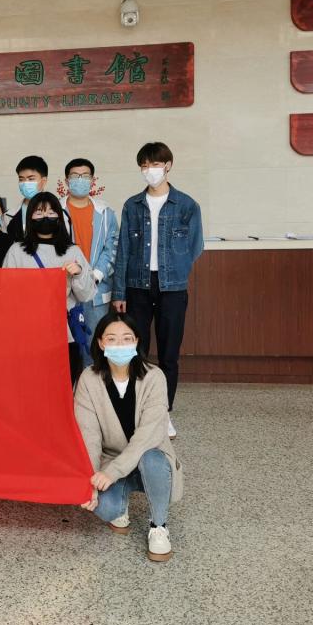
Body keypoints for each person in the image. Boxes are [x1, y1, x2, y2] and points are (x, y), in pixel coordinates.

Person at [74, 310, 182, 562]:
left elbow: (148, 436)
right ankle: (120, 504)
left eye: (126, 338)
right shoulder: (89, 379)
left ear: (136, 341)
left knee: (151, 459)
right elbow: (89, 436)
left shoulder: (154, 377)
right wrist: (89, 484)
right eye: (111, 339)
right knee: (105, 508)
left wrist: (112, 473)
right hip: (111, 459)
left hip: (150, 455)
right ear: (101, 343)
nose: (119, 344)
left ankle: (159, 526)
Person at [112, 142, 203, 438]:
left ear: (168, 166)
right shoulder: (132, 206)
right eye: (144, 165)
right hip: (137, 286)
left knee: (168, 354)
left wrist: (175, 271)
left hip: (172, 288)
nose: (150, 170)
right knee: (135, 351)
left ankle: (163, 413)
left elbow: (195, 247)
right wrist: (119, 292)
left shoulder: (187, 205)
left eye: (155, 164)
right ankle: (137, 410)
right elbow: (123, 251)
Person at [2, 192, 96, 386]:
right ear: (30, 218)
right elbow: (6, 294)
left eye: (51, 212)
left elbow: (86, 295)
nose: (45, 217)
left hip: (64, 332)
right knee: (30, 384)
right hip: (28, 333)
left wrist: (79, 273)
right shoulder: (17, 251)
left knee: (63, 385)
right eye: (39, 212)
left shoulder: (73, 251)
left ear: (60, 217)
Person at [61, 158, 119, 368]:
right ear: (66, 180)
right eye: (75, 176)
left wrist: (96, 275)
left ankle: (93, 386)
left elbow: (112, 246)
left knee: (95, 344)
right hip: (64, 287)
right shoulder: (56, 210)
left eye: (85, 176)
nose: (80, 180)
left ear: (92, 180)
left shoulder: (105, 212)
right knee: (65, 345)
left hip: (96, 289)